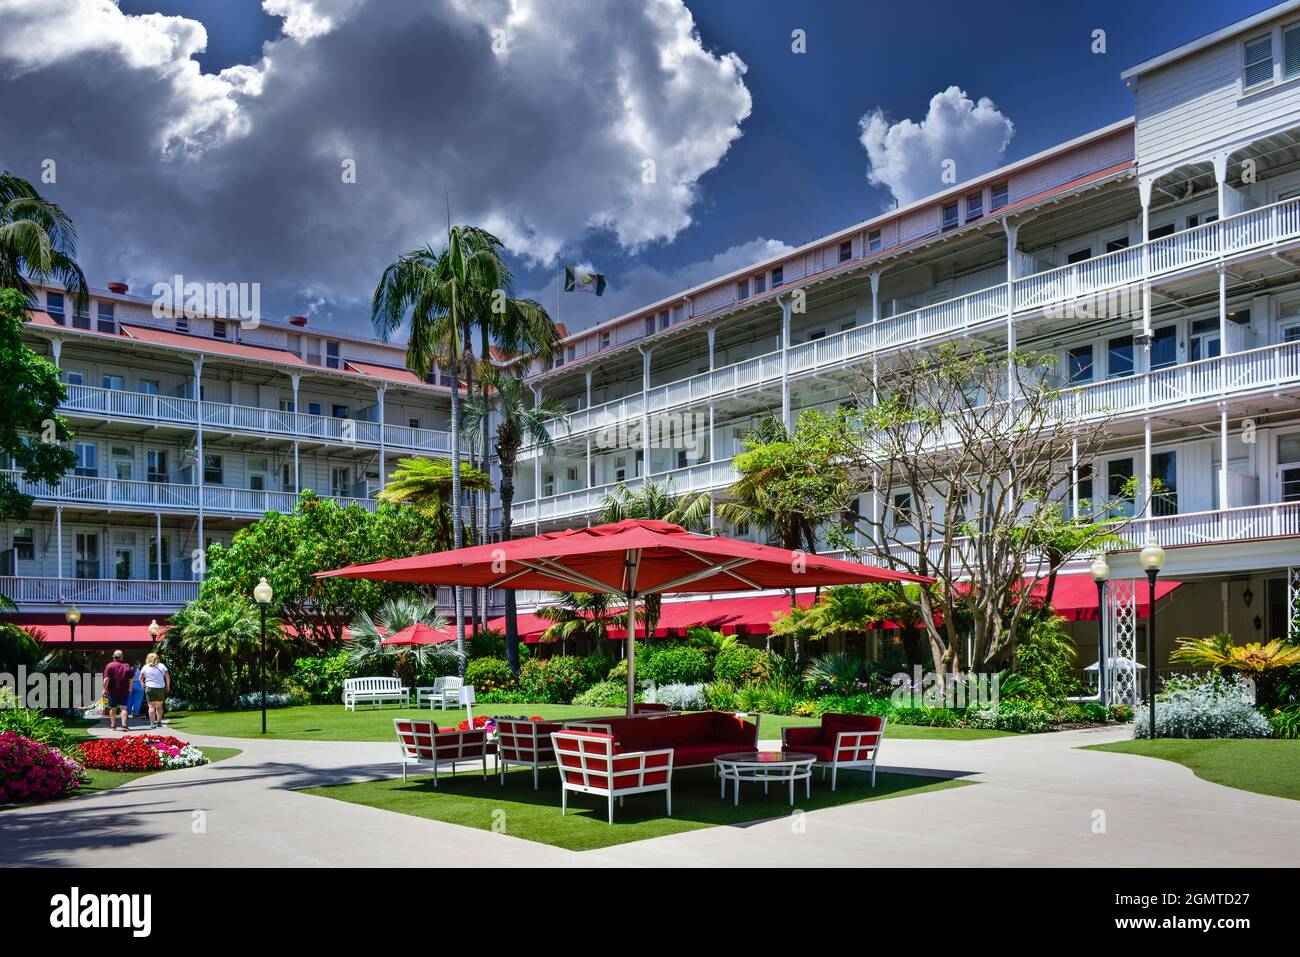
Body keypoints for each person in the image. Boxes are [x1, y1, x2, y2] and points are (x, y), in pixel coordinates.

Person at [102, 650, 133, 732]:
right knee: (124, 707)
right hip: (124, 690)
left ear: (113, 657)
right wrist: (130, 687)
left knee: (112, 708)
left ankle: (113, 725)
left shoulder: (109, 666)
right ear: (122, 657)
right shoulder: (126, 666)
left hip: (112, 690)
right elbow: (131, 678)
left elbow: (106, 679)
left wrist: (104, 689)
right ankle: (124, 725)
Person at [141, 652, 171, 729]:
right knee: (159, 706)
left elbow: (140, 678)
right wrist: (168, 686)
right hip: (160, 688)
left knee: (151, 706)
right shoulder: (162, 666)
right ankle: (159, 721)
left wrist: (143, 684)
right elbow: (167, 677)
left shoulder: (145, 667)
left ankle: (152, 723)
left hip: (149, 688)